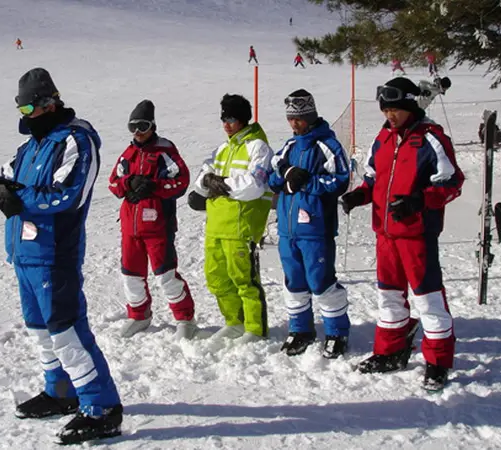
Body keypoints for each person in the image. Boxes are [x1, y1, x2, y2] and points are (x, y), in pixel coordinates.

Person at [0, 67, 122, 444]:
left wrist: (16, 198)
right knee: (40, 331)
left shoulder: (75, 140)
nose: (24, 114)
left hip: (54, 252)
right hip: (24, 254)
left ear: (49, 102)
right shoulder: (29, 147)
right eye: (20, 108)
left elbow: (68, 194)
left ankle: (102, 406)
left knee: (66, 330)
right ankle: (60, 391)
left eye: (29, 106)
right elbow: (4, 179)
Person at [340, 77, 464, 391]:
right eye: (385, 109)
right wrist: (360, 195)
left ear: (410, 105)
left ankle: (437, 362)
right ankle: (391, 351)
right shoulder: (383, 137)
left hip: (417, 234)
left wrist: (418, 201)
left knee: (428, 299)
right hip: (385, 234)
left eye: (395, 109)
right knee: (389, 296)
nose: (389, 115)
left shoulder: (431, 138)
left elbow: (451, 183)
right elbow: (372, 177)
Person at [268, 90, 351, 358]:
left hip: (315, 228)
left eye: (299, 118)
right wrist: (286, 174)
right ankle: (300, 329)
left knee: (320, 281)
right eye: (291, 118)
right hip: (288, 228)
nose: (294, 124)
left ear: (311, 115)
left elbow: (340, 180)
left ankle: (337, 332)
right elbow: (273, 173)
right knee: (294, 281)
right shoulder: (291, 146)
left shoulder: (327, 144)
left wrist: (308, 182)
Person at [107, 100, 197, 340]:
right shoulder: (128, 154)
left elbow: (181, 181)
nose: (138, 132)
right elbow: (113, 183)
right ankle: (139, 315)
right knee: (131, 275)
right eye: (132, 127)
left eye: (143, 126)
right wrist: (129, 184)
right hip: (130, 227)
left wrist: (153, 186)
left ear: (153, 126)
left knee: (165, 275)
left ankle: (185, 318)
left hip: (157, 226)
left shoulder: (164, 151)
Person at [192, 94, 274, 343]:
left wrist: (222, 184)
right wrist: (207, 181)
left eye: (231, 119)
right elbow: (202, 176)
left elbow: (255, 185)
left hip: (241, 225)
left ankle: (255, 328)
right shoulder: (222, 149)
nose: (226, 124)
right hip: (216, 225)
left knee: (244, 280)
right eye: (223, 119)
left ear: (243, 119)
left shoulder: (258, 147)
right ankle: (234, 321)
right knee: (216, 278)